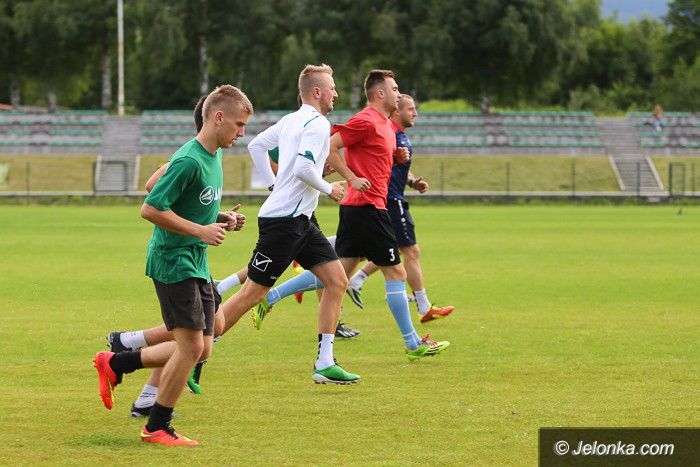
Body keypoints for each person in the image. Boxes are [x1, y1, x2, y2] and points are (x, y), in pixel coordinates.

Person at [92, 84, 253, 446]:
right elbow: (150, 206)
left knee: (203, 346)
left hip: (195, 260)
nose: (242, 133)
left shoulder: (213, 155)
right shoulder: (190, 159)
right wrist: (200, 230)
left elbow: (167, 188)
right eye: (239, 125)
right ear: (218, 117)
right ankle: (157, 425)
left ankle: (117, 362)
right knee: (191, 348)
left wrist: (220, 217)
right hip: (173, 261)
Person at [254, 70, 450, 360]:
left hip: (361, 208)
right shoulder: (366, 120)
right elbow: (332, 146)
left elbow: (372, 157)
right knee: (395, 271)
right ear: (380, 94)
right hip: (367, 207)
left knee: (336, 273)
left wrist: (395, 158)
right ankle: (413, 343)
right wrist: (351, 177)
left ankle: (271, 296)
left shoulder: (385, 124)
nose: (399, 94)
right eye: (395, 89)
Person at [213, 63, 360, 384]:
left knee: (336, 281)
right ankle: (196, 349)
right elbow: (303, 169)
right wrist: (329, 188)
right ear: (317, 92)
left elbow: (256, 146)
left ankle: (324, 363)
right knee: (251, 295)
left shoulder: (291, 119)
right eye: (332, 88)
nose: (336, 94)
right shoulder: (318, 123)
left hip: (300, 221)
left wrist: (272, 184)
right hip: (284, 222)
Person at [346, 94, 455, 323]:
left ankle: (357, 279)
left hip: (388, 199)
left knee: (387, 250)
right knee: (410, 252)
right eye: (410, 109)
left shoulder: (395, 134)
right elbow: (380, 163)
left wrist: (412, 181)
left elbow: (393, 165)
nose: (415, 113)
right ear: (397, 111)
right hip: (389, 200)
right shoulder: (389, 133)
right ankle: (423, 306)